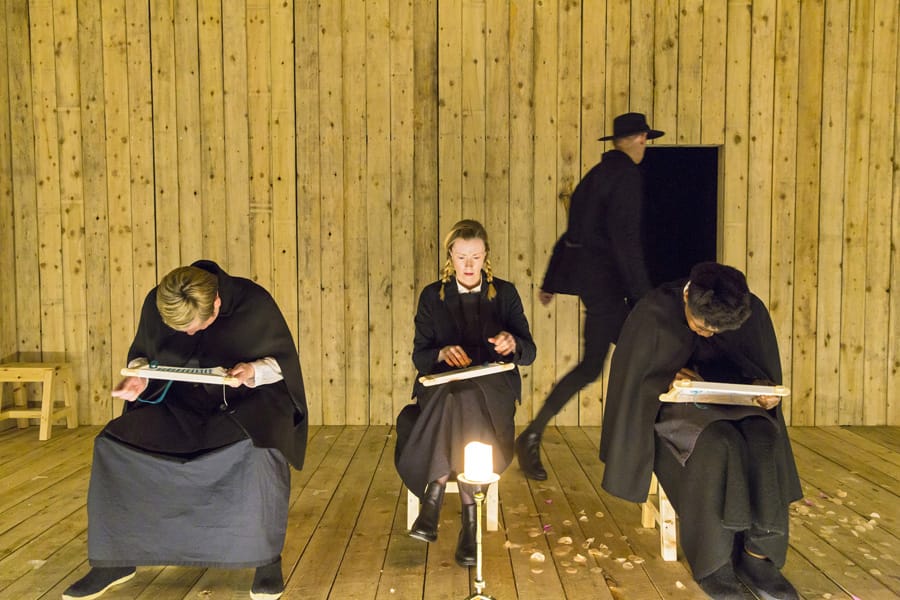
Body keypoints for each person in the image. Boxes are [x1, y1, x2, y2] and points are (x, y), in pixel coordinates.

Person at [63, 260, 308, 600]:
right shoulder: (156, 301)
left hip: (246, 403)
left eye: (197, 326)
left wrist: (253, 371)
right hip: (176, 403)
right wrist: (139, 376)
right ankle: (116, 559)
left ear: (217, 305)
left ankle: (265, 559)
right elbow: (145, 355)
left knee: (261, 448)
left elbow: (283, 366)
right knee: (113, 443)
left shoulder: (253, 302)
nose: (190, 335)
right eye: (181, 329)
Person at [599, 262, 802, 600]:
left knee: (764, 437)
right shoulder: (653, 311)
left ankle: (759, 558)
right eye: (700, 326)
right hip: (674, 410)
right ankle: (715, 562)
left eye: (714, 331)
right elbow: (635, 382)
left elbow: (757, 366)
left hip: (734, 403)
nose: (706, 335)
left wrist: (764, 391)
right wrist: (669, 378)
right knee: (718, 443)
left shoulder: (750, 311)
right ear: (688, 296)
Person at [516, 112, 662, 480]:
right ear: (636, 139)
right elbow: (625, 241)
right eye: (644, 138)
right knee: (649, 354)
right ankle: (646, 446)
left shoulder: (594, 177)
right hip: (611, 288)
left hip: (597, 289)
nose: (645, 144)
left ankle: (534, 433)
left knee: (596, 365)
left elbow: (572, 235)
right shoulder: (626, 175)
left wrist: (551, 278)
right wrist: (644, 297)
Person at [395, 219, 536, 567]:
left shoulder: (504, 293)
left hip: (492, 393)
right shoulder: (433, 295)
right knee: (457, 394)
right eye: (462, 257)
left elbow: (529, 351)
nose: (469, 265)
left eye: (475, 256)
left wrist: (512, 342)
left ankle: (435, 495)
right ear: (451, 258)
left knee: (468, 396)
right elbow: (419, 354)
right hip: (442, 389)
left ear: (485, 255)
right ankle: (469, 523)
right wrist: (440, 355)